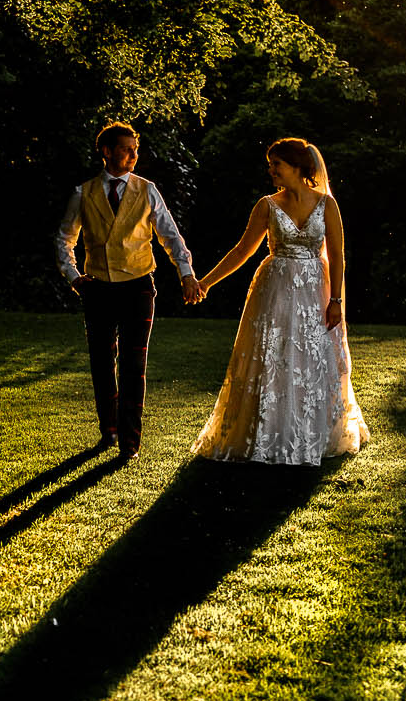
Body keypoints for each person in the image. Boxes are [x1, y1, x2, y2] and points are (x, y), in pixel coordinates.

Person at [187, 137, 370, 465]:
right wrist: (206, 283)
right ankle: (269, 431)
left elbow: (339, 254)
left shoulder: (327, 205)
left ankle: (315, 431)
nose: (271, 171)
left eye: (277, 165)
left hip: (316, 289)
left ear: (298, 168)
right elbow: (243, 251)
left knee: (313, 358)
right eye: (270, 165)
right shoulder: (266, 205)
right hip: (275, 291)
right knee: (275, 356)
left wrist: (337, 300)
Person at [55, 122, 202, 459]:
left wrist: (186, 274)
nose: (134, 154)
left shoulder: (147, 190)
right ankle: (109, 428)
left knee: (134, 365)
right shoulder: (84, 192)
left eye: (136, 148)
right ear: (106, 151)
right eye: (126, 148)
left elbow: (171, 236)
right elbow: (65, 239)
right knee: (102, 364)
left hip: (139, 288)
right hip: (98, 290)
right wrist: (74, 275)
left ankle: (129, 443)